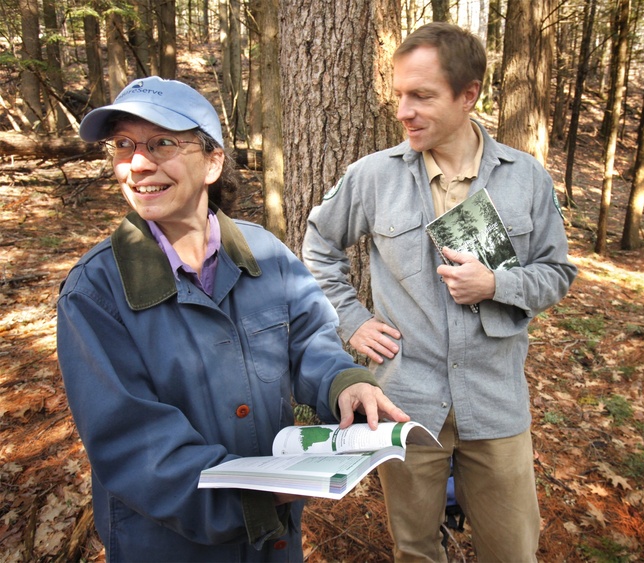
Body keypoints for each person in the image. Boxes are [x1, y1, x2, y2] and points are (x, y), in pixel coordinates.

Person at [57, 76, 409, 562]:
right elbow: (134, 445)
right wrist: (253, 496)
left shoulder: (265, 253)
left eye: (162, 143)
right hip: (168, 545)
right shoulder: (95, 292)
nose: (138, 163)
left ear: (213, 161)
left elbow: (309, 338)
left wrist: (343, 382)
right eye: (123, 145)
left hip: (272, 542)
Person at [302, 22, 578, 562]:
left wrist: (497, 283)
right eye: (400, 95)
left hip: (495, 400)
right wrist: (351, 319)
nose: (404, 110)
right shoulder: (373, 176)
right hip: (408, 401)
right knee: (416, 552)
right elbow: (317, 247)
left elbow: (557, 273)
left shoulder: (525, 178)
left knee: (513, 550)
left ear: (468, 95)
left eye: (422, 96)